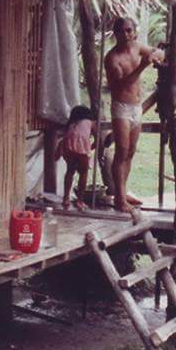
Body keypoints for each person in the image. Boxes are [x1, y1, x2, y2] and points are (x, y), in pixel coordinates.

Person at [105, 17, 165, 213]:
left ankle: (122, 194)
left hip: (137, 107)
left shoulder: (137, 47)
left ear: (134, 31)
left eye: (129, 30)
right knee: (122, 151)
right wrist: (142, 66)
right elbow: (121, 84)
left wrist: (158, 55)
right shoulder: (112, 58)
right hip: (121, 107)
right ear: (115, 33)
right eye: (122, 31)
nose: (126, 35)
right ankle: (120, 200)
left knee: (130, 151)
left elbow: (158, 53)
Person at [54, 105, 96, 211]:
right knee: (83, 173)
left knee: (70, 171)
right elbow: (98, 137)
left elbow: (66, 136)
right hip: (81, 147)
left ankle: (66, 198)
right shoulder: (90, 122)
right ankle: (80, 201)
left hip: (68, 146)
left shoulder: (71, 124)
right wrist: (91, 147)